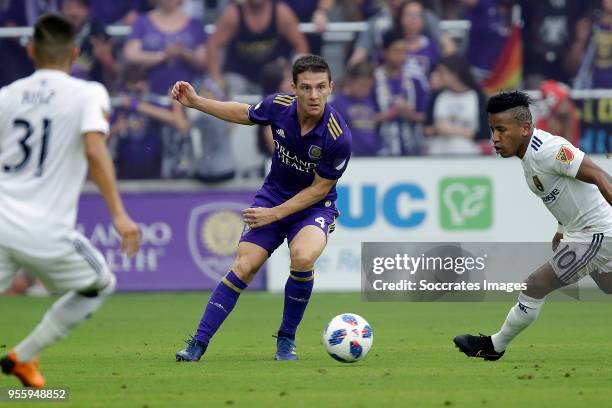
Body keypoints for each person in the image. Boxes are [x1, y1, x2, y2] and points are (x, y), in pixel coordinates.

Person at [171, 54, 352, 362]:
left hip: (314, 207)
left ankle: (286, 340)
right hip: (272, 197)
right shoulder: (279, 107)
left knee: (304, 255)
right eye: (306, 87)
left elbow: (318, 189)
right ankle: (197, 344)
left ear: (330, 87)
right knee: (244, 267)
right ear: (293, 87)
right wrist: (197, 101)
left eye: (321, 87)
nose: (314, 95)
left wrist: (276, 214)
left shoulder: (337, 137)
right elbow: (243, 112)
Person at [0, 14, 140, 387]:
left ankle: (24, 361)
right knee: (99, 284)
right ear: (75, 53)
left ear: (30, 50)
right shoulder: (88, 92)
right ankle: (23, 356)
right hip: (44, 229)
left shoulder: (7, 96)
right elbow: (95, 149)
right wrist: (120, 215)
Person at [454, 91, 612, 361]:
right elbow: (567, 191)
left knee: (535, 285)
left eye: (501, 130)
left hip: (598, 233)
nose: (495, 138)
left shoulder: (548, 150)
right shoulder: (529, 159)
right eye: (492, 130)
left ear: (525, 128)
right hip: (583, 232)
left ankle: (494, 346)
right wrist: (562, 229)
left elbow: (599, 175)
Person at [207, 0, 308, 95]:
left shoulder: (281, 13)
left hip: (274, 76)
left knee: (289, 88)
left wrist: (294, 76)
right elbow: (213, 45)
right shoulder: (233, 14)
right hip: (239, 76)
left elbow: (300, 45)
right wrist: (216, 79)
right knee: (226, 89)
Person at [123, 0, 208, 96]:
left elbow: (204, 60)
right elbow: (130, 55)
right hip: (150, 94)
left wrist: (184, 53)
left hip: (189, 97)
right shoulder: (142, 22)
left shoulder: (195, 24)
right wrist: (162, 56)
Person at [424, 54, 488, 155]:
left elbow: (485, 134)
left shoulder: (477, 96)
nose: (438, 76)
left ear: (455, 73)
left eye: (442, 72)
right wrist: (437, 129)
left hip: (468, 153)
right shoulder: (437, 96)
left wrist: (451, 130)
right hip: (438, 153)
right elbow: (426, 129)